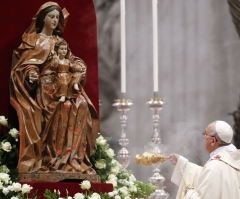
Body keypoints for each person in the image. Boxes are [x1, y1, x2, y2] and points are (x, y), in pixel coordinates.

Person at [10, 2, 99, 174]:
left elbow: (72, 60)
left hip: (64, 84)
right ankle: (53, 158)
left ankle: (72, 159)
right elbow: (27, 64)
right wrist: (31, 73)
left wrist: (79, 65)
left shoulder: (60, 41)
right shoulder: (34, 41)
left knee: (81, 104)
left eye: (57, 17)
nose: (55, 20)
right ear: (43, 18)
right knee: (63, 107)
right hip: (46, 88)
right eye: (51, 16)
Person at [168, 120, 240, 199]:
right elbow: (210, 177)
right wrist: (184, 165)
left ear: (213, 141)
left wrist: (189, 193)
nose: (204, 137)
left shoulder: (214, 166)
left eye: (206, 134)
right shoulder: (235, 159)